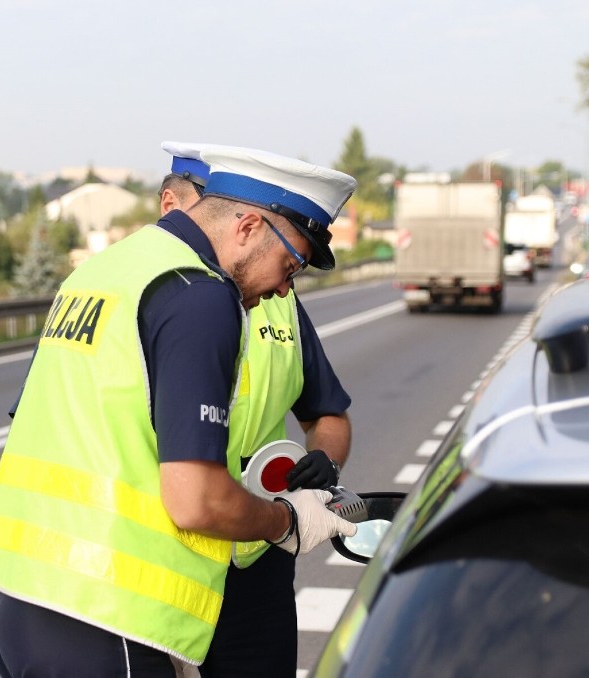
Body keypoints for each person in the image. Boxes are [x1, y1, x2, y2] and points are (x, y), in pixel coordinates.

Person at [0, 144, 358, 677]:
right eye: (289, 264)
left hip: (19, 589)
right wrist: (286, 520)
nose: (285, 288)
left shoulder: (104, 272)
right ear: (247, 228)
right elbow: (195, 502)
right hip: (106, 602)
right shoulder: (199, 293)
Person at [158, 143, 351, 677]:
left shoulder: (279, 299)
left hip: (252, 563)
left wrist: (326, 463)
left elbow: (328, 414)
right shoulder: (153, 293)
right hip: (159, 560)